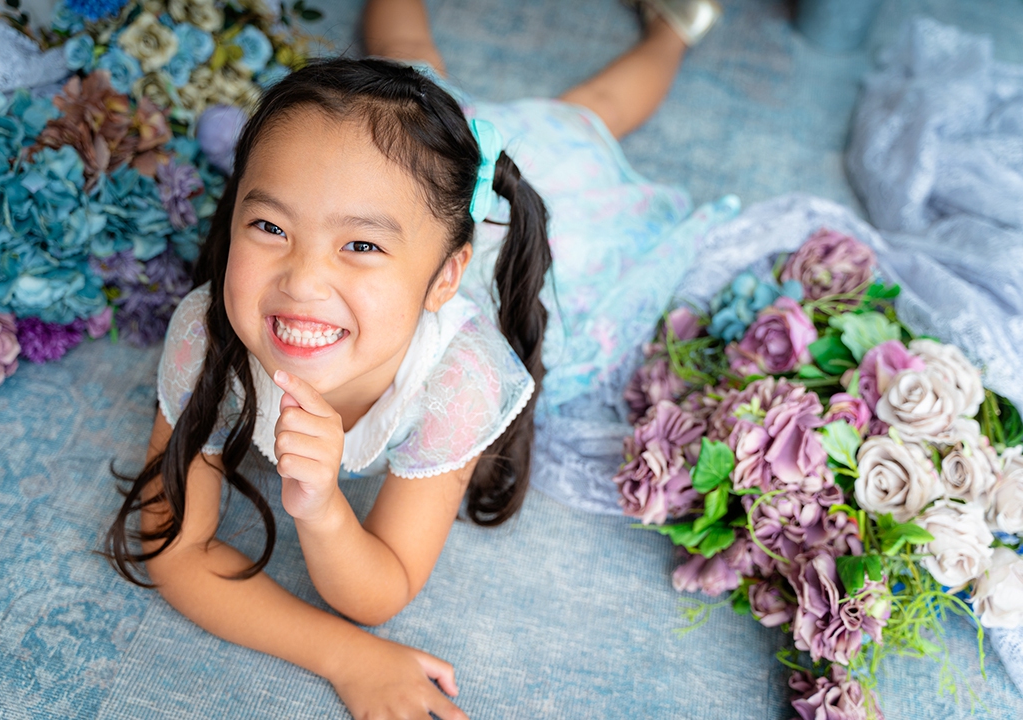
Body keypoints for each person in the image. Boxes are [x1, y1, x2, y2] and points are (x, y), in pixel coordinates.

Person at [106, 1, 726, 718]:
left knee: (590, 115)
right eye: (270, 225)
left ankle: (674, 27)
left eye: (360, 245)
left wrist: (323, 510)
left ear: (444, 279)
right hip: (402, 176)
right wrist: (345, 658)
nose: (302, 282)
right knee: (402, 63)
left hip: (556, 217)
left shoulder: (457, 380)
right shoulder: (206, 334)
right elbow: (174, 548)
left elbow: (383, 588)